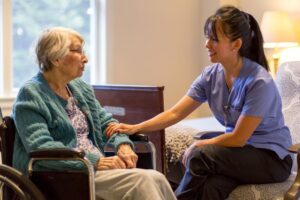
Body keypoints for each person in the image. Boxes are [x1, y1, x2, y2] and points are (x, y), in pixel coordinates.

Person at [107, 5, 293, 200]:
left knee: (201, 154)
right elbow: (175, 114)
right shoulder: (210, 76)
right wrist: (135, 127)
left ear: (236, 44)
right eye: (207, 37)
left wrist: (200, 145)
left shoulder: (258, 81)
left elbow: (238, 138)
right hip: (240, 153)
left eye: (214, 39)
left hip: (271, 159)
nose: (206, 44)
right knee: (212, 187)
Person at [12, 27, 176, 200]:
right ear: (56, 58)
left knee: (157, 178)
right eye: (77, 51)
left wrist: (123, 145)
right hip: (61, 175)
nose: (86, 59)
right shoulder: (32, 93)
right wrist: (93, 160)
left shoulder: (79, 88)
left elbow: (106, 123)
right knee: (142, 180)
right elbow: (40, 146)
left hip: (91, 170)